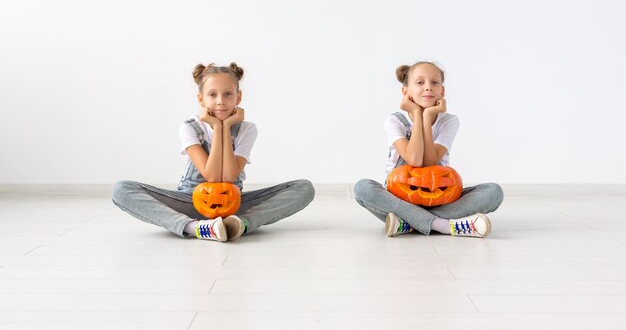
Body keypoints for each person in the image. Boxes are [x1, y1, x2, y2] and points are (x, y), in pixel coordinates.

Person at [112, 63, 315, 242]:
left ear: (238, 97)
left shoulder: (247, 129)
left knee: (304, 188)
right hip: (190, 201)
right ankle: (195, 228)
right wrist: (218, 127)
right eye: (212, 94)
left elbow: (228, 176)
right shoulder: (190, 128)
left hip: (232, 203)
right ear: (201, 99)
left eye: (228, 94)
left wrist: (225, 127)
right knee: (121, 189)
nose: (220, 101)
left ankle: (238, 224)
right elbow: (211, 175)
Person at [354, 61, 503, 238]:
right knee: (363, 188)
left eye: (434, 82)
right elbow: (415, 160)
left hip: (441, 200)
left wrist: (427, 117)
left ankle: (407, 223)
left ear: (442, 91)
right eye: (419, 82)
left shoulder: (449, 121)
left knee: (493, 192)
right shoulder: (394, 122)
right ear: (405, 92)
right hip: (399, 199)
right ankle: (443, 225)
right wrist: (417, 114)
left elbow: (430, 162)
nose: (428, 87)